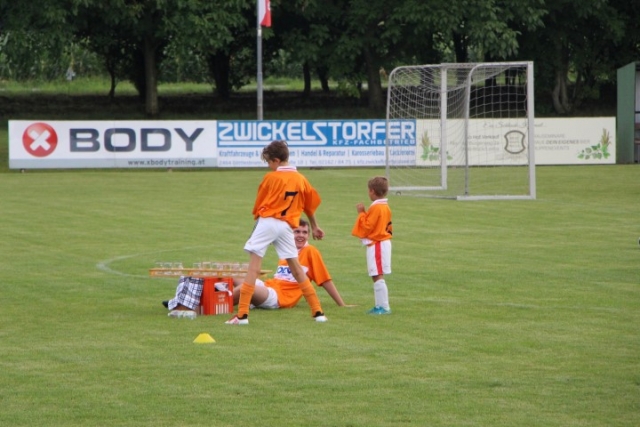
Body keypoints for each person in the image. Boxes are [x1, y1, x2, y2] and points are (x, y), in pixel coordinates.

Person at [226, 140, 327, 325]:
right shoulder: (301, 179)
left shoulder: (270, 178)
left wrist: (258, 219)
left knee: (253, 268)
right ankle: (318, 312)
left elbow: (259, 204)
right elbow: (309, 206)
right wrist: (314, 226)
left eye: (269, 162)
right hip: (287, 225)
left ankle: (242, 315)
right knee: (296, 268)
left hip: (269, 221)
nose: (269, 166)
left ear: (276, 160)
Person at [162, 219, 347, 317]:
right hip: (269, 287)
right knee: (228, 274)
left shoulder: (311, 251)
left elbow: (325, 280)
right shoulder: (287, 250)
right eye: (296, 231)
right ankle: (182, 301)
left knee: (245, 288)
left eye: (304, 232)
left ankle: (200, 308)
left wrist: (342, 304)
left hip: (279, 299)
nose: (301, 235)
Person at [351, 176, 393, 315]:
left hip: (378, 243)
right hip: (380, 243)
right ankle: (380, 305)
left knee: (377, 274)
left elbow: (368, 226)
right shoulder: (384, 206)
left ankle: (383, 306)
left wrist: (361, 213)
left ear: (372, 191)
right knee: (376, 274)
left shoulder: (377, 207)